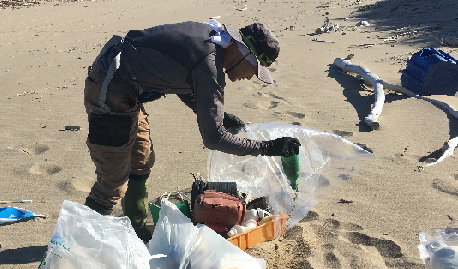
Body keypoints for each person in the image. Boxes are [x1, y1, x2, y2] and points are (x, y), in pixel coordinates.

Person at [83, 19, 300, 241]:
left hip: (126, 89)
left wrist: (219, 117)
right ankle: (75, 246)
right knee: (112, 183)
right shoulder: (209, 65)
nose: (251, 76)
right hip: (109, 91)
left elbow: (179, 79)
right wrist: (267, 147)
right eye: (254, 69)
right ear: (243, 54)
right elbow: (214, 138)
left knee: (141, 161)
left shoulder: (212, 44)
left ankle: (137, 232)